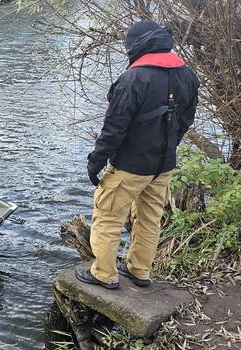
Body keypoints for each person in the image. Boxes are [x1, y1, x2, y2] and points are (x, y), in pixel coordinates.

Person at [76, 21, 199, 289]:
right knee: (150, 218)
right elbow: (186, 119)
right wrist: (169, 145)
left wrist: (95, 161)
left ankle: (104, 274)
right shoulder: (187, 74)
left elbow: (114, 128)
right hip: (163, 165)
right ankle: (140, 271)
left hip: (130, 166)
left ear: (136, 46)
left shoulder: (133, 78)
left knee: (107, 217)